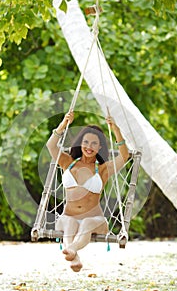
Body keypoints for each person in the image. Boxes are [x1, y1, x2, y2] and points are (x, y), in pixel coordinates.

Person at [46, 111, 129, 272]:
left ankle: (72, 250)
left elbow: (124, 156)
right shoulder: (67, 162)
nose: (89, 147)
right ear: (80, 143)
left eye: (93, 143)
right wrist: (64, 124)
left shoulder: (103, 169)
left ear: (99, 147)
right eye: (86, 142)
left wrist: (116, 130)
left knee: (86, 223)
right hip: (67, 217)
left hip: (94, 220)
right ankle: (73, 254)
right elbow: (51, 145)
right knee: (70, 222)